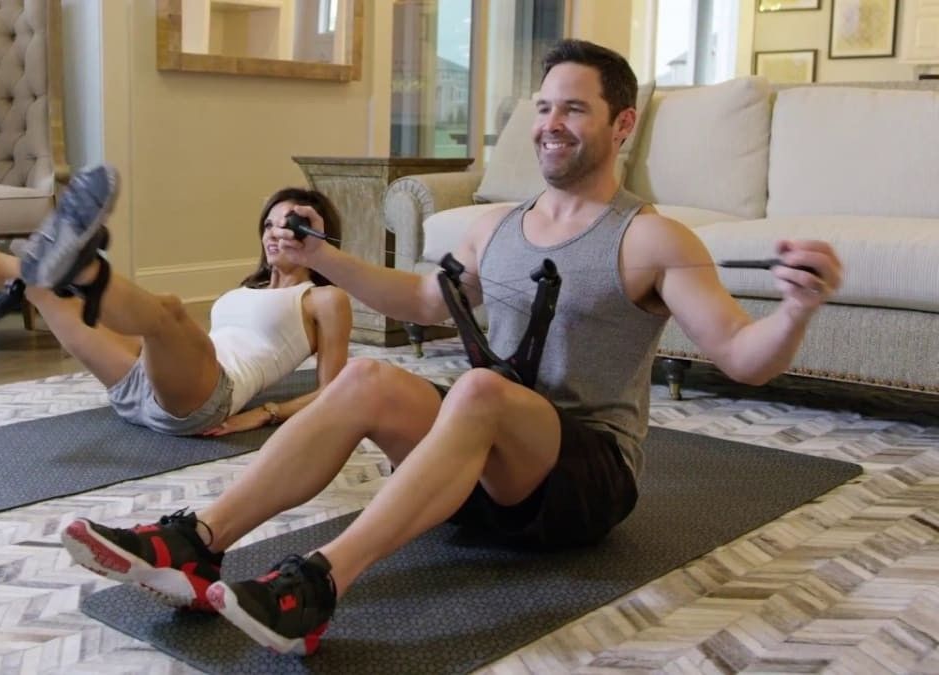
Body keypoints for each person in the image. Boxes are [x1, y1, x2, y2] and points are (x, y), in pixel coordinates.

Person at [61, 39, 844, 655]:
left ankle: (319, 585)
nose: (551, 124)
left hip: (585, 481)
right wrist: (322, 254)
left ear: (622, 124)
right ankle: (199, 541)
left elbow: (741, 356)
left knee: (477, 389)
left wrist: (796, 308)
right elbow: (421, 301)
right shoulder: (496, 225)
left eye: (575, 109)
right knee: (368, 376)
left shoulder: (652, 238)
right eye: (544, 107)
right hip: (479, 461)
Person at [0, 125, 353, 438]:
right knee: (30, 278)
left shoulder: (325, 298)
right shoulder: (246, 290)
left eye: (294, 223)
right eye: (270, 223)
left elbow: (335, 392)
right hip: (135, 388)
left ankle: (81, 268)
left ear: (319, 234)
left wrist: (265, 415)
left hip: (205, 401)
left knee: (169, 310)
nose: (278, 232)